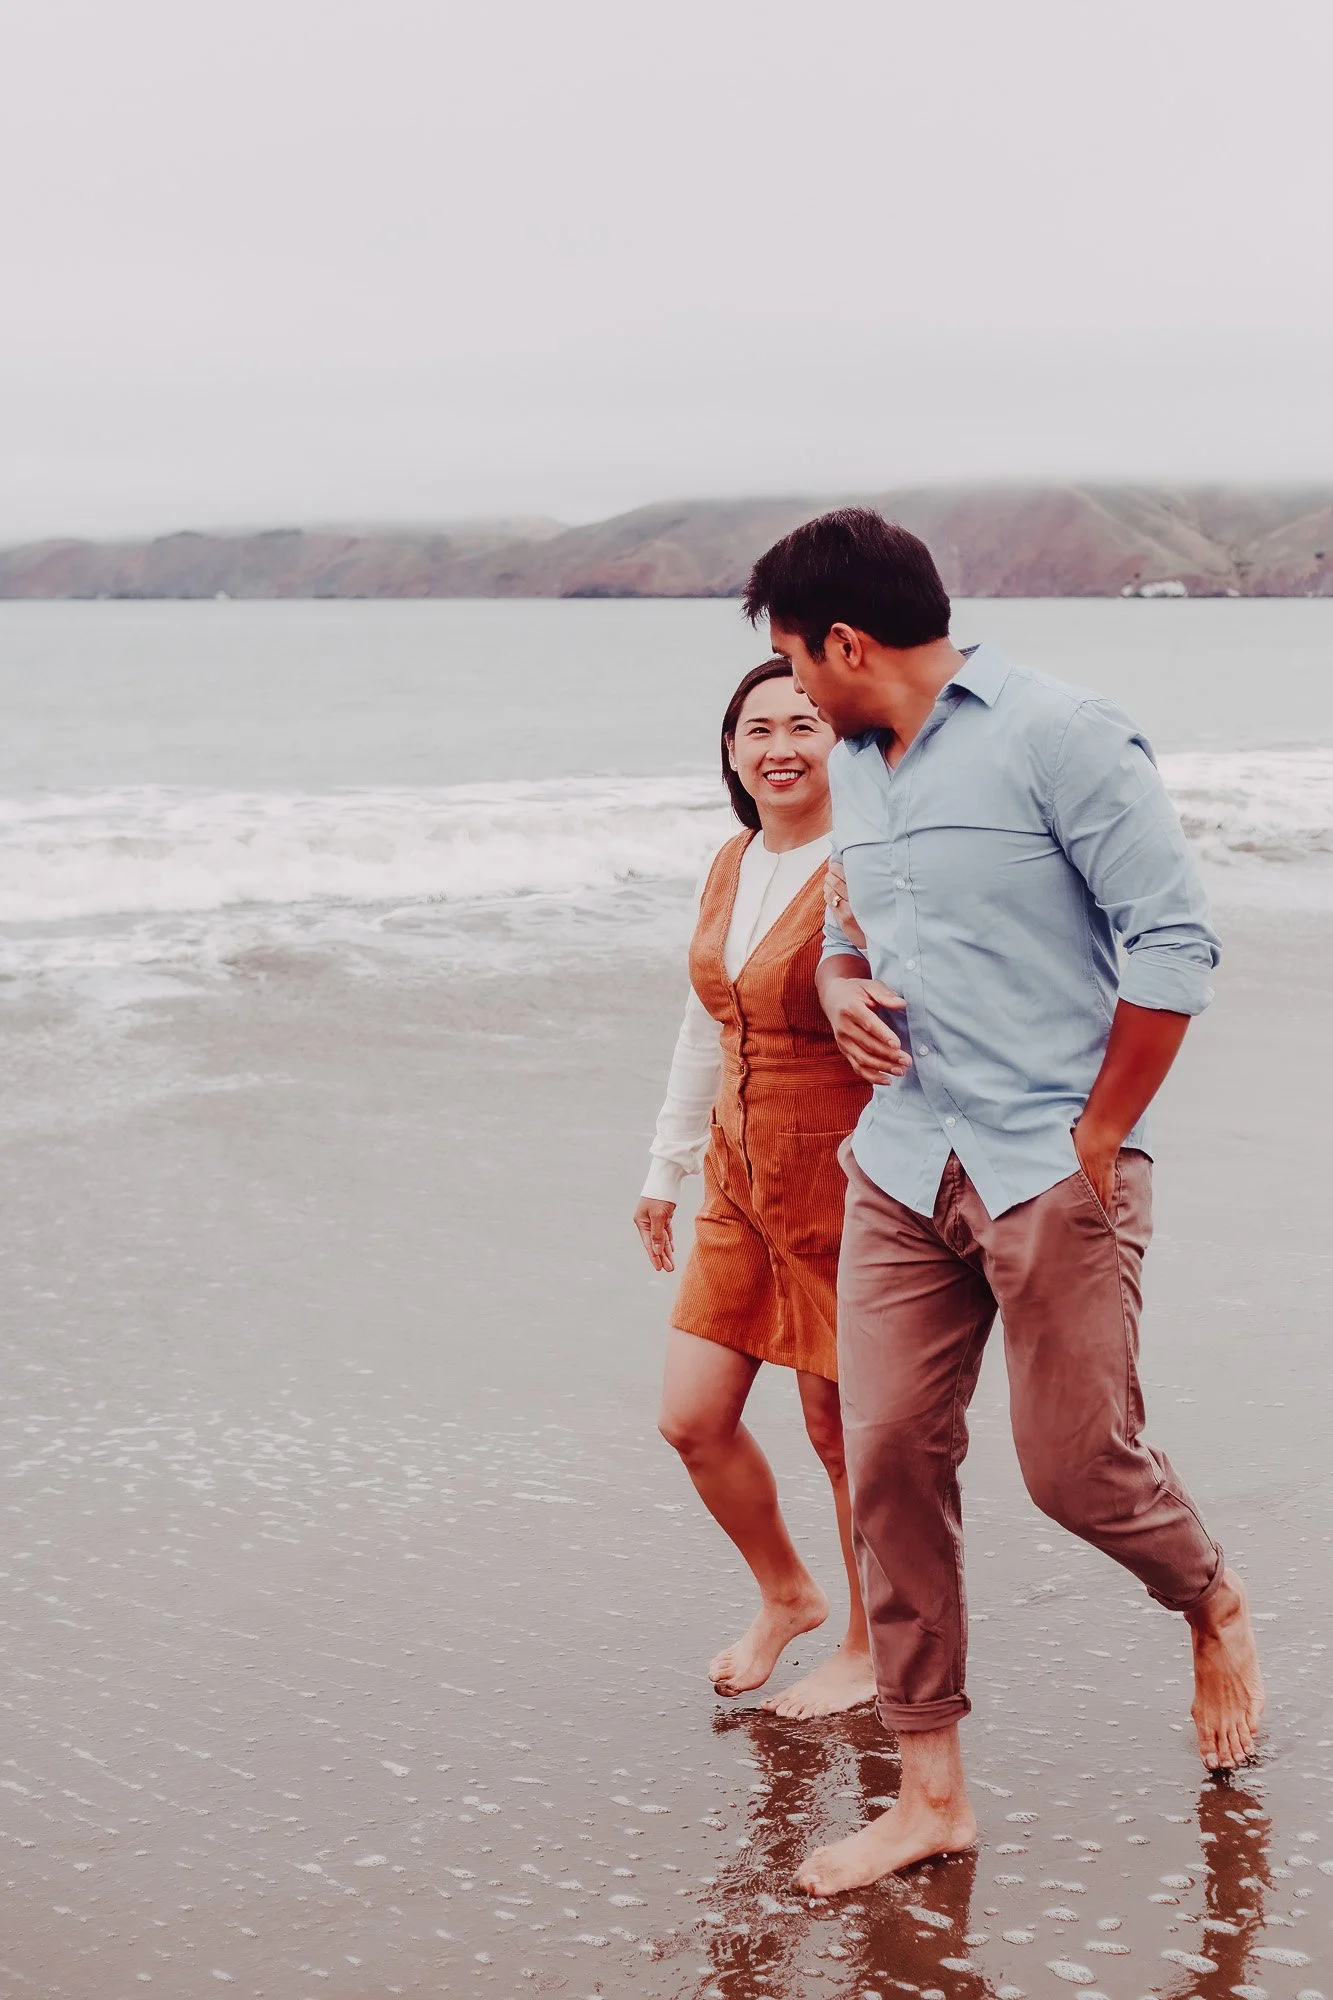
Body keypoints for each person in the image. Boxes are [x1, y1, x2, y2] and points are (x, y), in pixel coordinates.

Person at [737, 508, 1265, 1890]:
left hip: (1049, 1165)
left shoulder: (1061, 735)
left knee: (1073, 1472)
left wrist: (1099, 1132)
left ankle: (1207, 1597)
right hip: (902, 1163)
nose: (793, 687)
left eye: (797, 656)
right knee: (889, 1458)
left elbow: (1174, 942)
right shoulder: (858, 765)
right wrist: (844, 986)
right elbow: (852, 921)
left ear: (846, 643)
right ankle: (931, 1794)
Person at [633, 660, 900, 1718]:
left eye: (803, 722)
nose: (780, 744)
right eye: (757, 728)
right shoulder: (732, 859)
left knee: (845, 1437)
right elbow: (706, 1021)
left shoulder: (870, 865)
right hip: (735, 1178)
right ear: (733, 751)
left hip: (843, 1181)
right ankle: (787, 1591)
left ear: (840, 737)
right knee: (691, 1417)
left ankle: (869, 1646)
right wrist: (664, 1169)